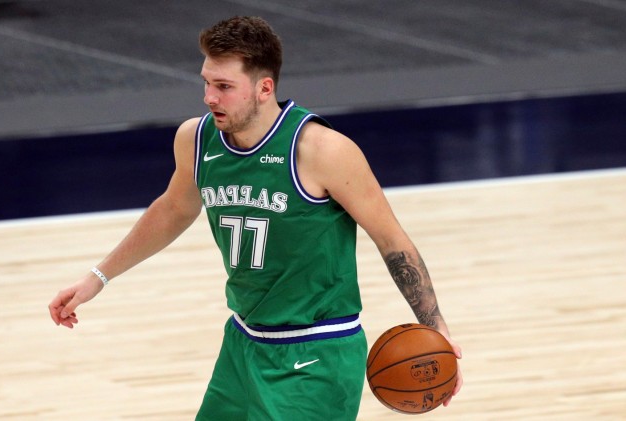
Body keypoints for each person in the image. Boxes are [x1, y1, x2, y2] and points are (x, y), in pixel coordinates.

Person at [48, 15, 463, 420]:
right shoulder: (197, 139)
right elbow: (174, 208)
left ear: (264, 88)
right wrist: (98, 278)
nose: (210, 97)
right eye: (207, 82)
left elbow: (393, 241)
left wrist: (436, 328)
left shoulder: (322, 151)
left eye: (224, 87)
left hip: (316, 353)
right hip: (243, 343)